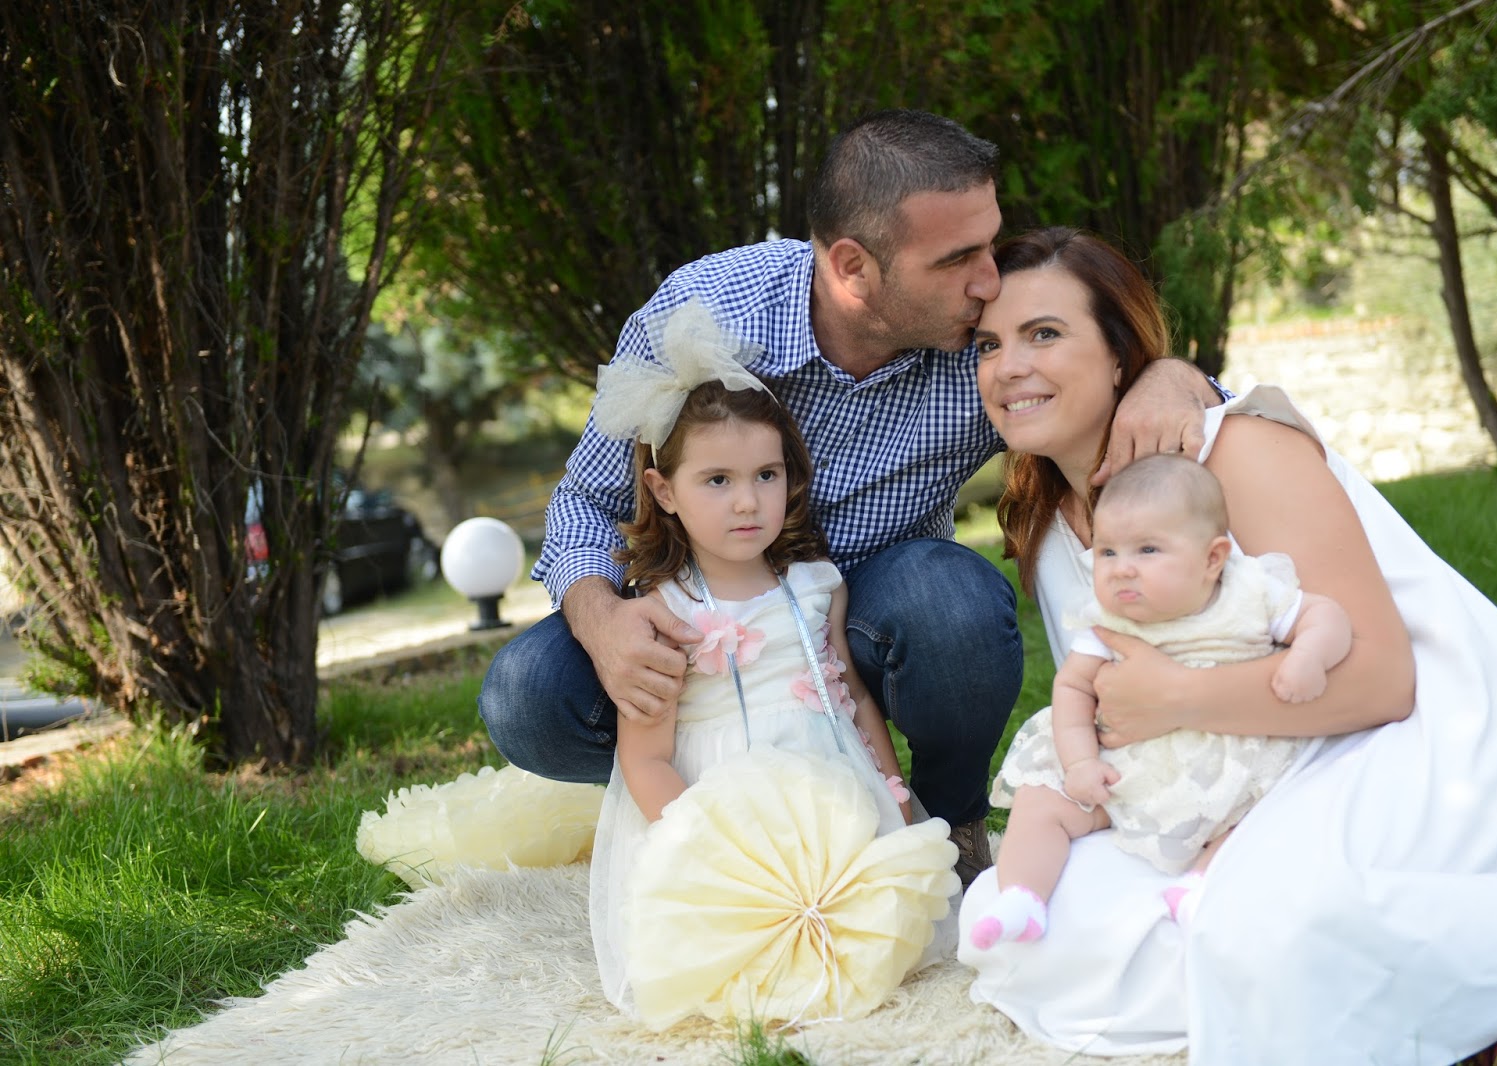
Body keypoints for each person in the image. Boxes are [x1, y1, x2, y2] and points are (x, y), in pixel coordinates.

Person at [477, 109, 1221, 885]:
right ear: (852, 267)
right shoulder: (709, 311)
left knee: (952, 604)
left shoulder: (982, 346)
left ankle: (948, 827)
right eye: (956, 259)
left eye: (990, 244)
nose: (988, 281)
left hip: (873, 610)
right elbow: (587, 499)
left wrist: (1170, 376)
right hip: (708, 624)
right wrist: (601, 619)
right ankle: (719, 804)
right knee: (528, 693)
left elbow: (1103, 378)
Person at [955, 226, 1497, 1065]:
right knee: (1020, 924)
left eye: (1044, 333)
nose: (1009, 366)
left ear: (1119, 355)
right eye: (988, 345)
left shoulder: (1232, 449)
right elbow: (1124, 714)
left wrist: (1176, 698)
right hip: (1245, 770)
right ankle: (1427, 999)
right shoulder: (1048, 532)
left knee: (1251, 921)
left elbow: (1384, 679)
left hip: (1420, 739)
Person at [584, 298, 928, 1013]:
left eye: (766, 475)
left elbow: (852, 697)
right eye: (718, 480)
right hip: (714, 811)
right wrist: (700, 844)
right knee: (740, 949)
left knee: (861, 917)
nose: (748, 502)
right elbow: (645, 757)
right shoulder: (663, 611)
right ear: (663, 491)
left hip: (827, 789)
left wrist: (893, 792)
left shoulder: (816, 585)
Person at [968, 455, 1352, 951]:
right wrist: (1080, 763)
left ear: (1212, 558)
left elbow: (1326, 616)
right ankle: (1022, 897)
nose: (1122, 569)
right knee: (1040, 800)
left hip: (1225, 762)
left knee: (1261, 817)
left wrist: (1308, 656)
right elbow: (1073, 688)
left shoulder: (1249, 591)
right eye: (1108, 552)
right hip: (1124, 767)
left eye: (1148, 550)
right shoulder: (1107, 619)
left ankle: (1199, 888)